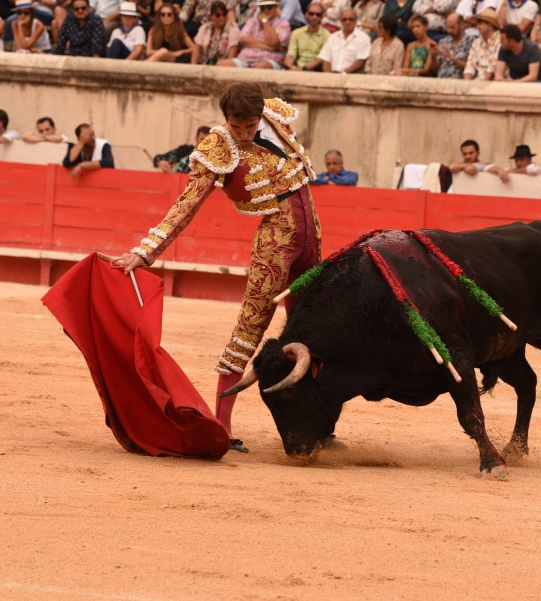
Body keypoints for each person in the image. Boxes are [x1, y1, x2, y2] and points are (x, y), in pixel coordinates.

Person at [118, 82, 321, 454]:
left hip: (311, 230)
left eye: (248, 126)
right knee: (252, 324)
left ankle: (317, 424)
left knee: (314, 325)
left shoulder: (275, 115)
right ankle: (222, 426)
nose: (242, 135)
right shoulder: (218, 147)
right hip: (275, 238)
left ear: (261, 114)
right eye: (235, 126)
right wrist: (145, 251)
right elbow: (186, 204)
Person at [218, 0, 291, 68]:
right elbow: (243, 39)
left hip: (270, 59)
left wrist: (265, 22)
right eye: (262, 8)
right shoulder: (252, 21)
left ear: (275, 8)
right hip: (246, 59)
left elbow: (274, 43)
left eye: (269, 7)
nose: (266, 10)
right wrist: (269, 47)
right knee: (221, 65)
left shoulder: (283, 24)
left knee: (261, 67)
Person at [319, 7, 372, 72]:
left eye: (350, 19)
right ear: (340, 21)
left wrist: (343, 75)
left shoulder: (363, 38)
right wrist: (329, 77)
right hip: (332, 76)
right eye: (344, 19)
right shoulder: (333, 37)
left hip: (352, 77)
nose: (347, 22)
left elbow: (360, 62)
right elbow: (325, 60)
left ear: (355, 21)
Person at [284, 2, 330, 70]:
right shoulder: (297, 33)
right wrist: (289, 66)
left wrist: (302, 68)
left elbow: (321, 59)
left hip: (316, 70)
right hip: (298, 68)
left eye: (318, 15)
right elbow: (291, 53)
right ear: (306, 14)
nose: (314, 17)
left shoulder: (327, 35)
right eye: (311, 14)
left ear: (322, 16)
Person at [462, 6, 499, 80]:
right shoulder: (477, 42)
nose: (477, 26)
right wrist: (466, 85)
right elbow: (470, 66)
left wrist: (481, 88)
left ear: (490, 25)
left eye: (480, 23)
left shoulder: (500, 41)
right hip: (477, 83)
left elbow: (493, 68)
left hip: (493, 84)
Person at [433, 12, 473, 79]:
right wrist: (433, 56)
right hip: (440, 82)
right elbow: (435, 69)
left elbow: (472, 68)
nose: (449, 31)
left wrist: (452, 58)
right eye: (447, 27)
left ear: (462, 25)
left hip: (458, 83)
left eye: (452, 27)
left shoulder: (471, 41)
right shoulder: (443, 41)